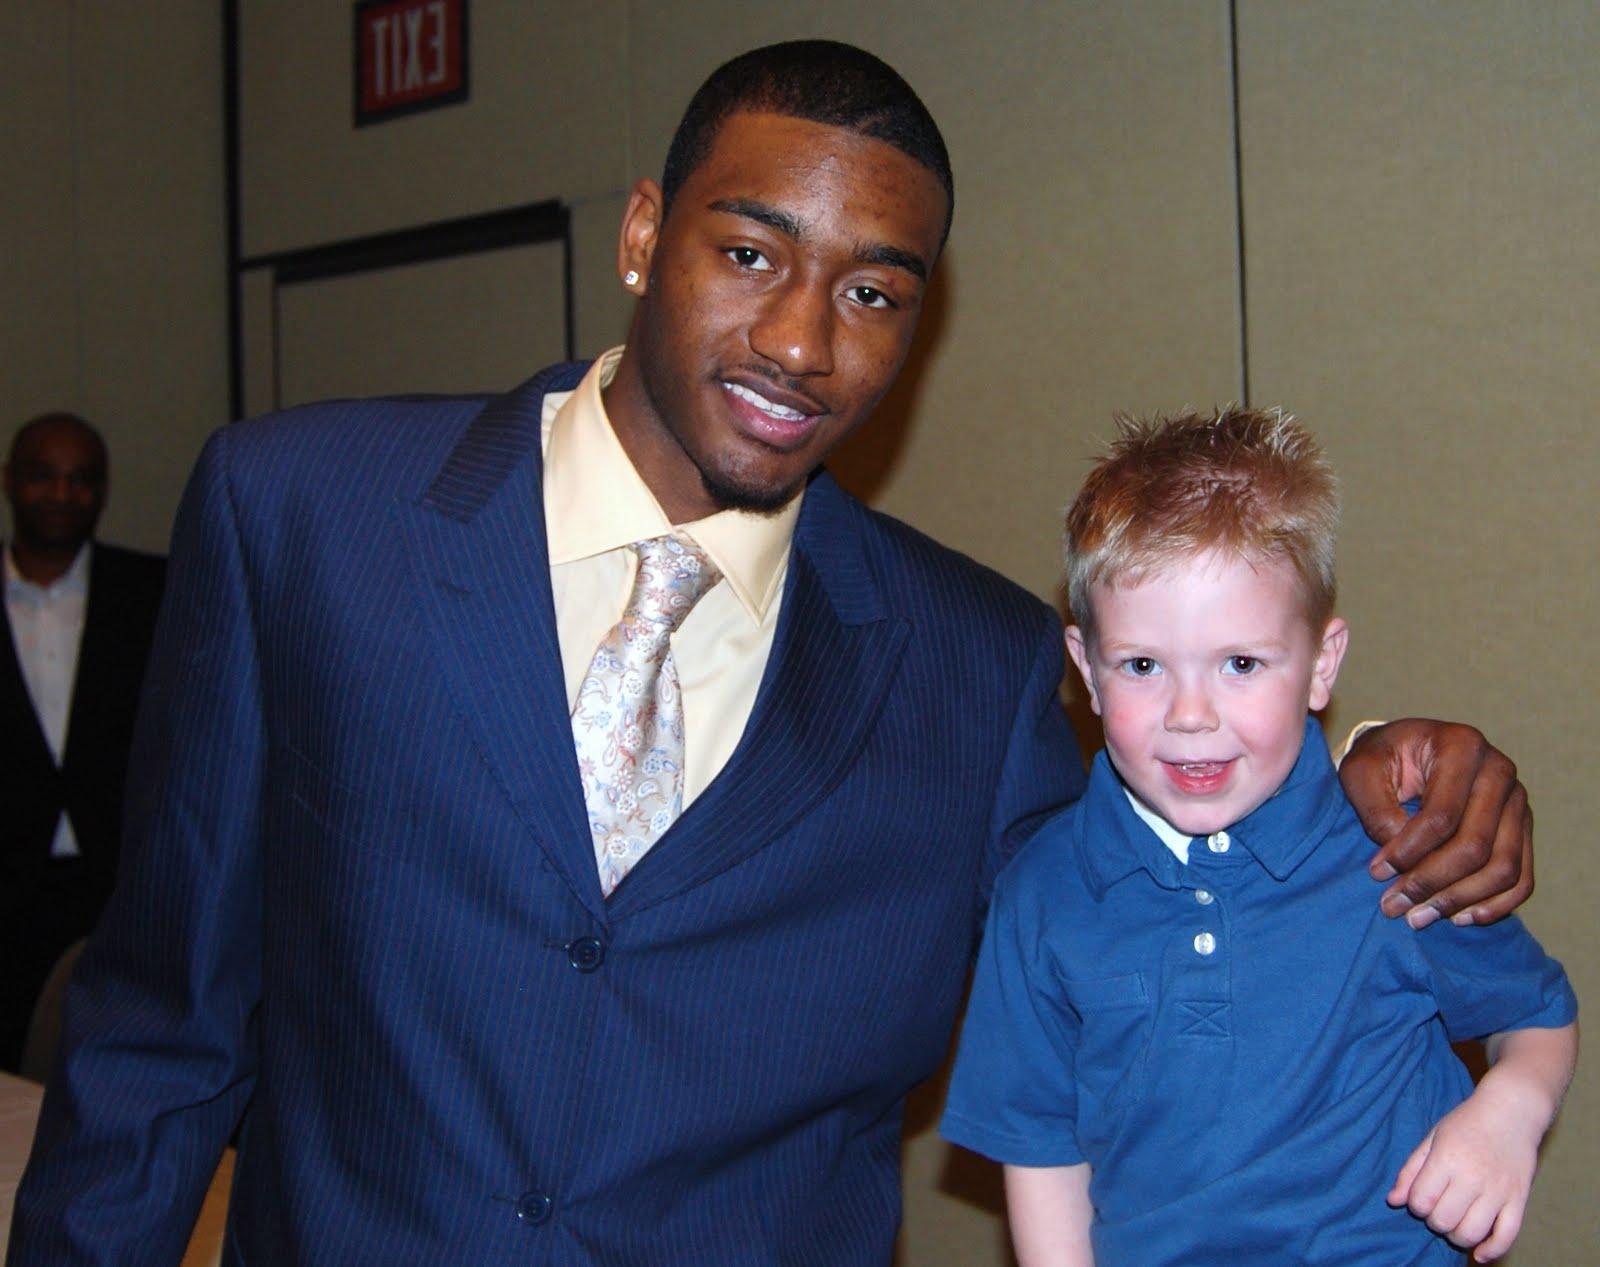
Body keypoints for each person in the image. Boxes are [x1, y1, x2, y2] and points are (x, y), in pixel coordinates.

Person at [12, 41, 1536, 1266]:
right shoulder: (304, 518)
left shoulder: (977, 667)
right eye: (752, 251)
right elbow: (160, 1034)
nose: (806, 340)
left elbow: (1165, 881)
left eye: (874, 290)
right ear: (639, 233)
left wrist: (1379, 760)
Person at [940, 409, 1577, 1265]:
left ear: (1321, 664)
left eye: (1240, 663)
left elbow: (1539, 1016)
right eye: (1142, 665)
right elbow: (1042, 1147)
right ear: (1087, 670)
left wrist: (1509, 1115)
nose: (1191, 716)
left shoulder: (1395, 850)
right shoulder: (1042, 893)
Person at [1, 413, 165, 1074]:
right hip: (8, 897)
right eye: (44, 476)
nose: (62, 495)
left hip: (122, 887)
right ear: (10, 482)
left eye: (82, 480)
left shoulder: (155, 589)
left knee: (120, 1075)